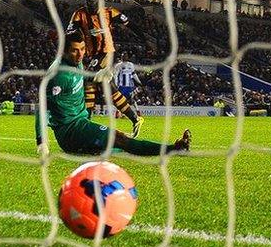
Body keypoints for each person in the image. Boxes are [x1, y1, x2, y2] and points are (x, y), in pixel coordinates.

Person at [35, 31, 190, 156]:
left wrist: (94, 76)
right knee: (119, 138)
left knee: (116, 146)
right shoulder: (58, 75)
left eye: (82, 49)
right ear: (63, 51)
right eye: (75, 50)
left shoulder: (77, 62)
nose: (80, 54)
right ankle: (174, 148)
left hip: (81, 122)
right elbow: (41, 106)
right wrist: (41, 141)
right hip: (70, 131)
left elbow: (80, 77)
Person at [67, 0, 144, 138]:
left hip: (106, 52)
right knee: (104, 87)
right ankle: (135, 119)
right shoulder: (79, 14)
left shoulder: (109, 12)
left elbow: (129, 24)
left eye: (92, 0)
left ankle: (85, 122)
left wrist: (144, 38)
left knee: (89, 79)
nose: (88, 2)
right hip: (91, 55)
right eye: (87, 0)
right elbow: (70, 31)